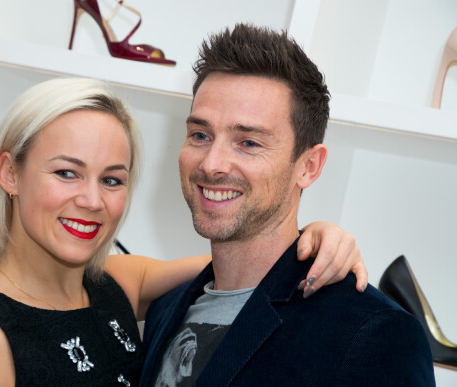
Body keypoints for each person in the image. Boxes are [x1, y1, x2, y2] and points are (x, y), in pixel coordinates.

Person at [0, 77, 367, 387]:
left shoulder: (116, 283)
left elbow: (246, 265)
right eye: (67, 173)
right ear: (10, 174)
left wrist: (318, 236)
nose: (92, 201)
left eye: (111, 180)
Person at [141, 25, 435, 386]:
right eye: (200, 135)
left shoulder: (374, 333)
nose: (212, 163)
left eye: (248, 142)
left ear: (308, 166)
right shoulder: (163, 307)